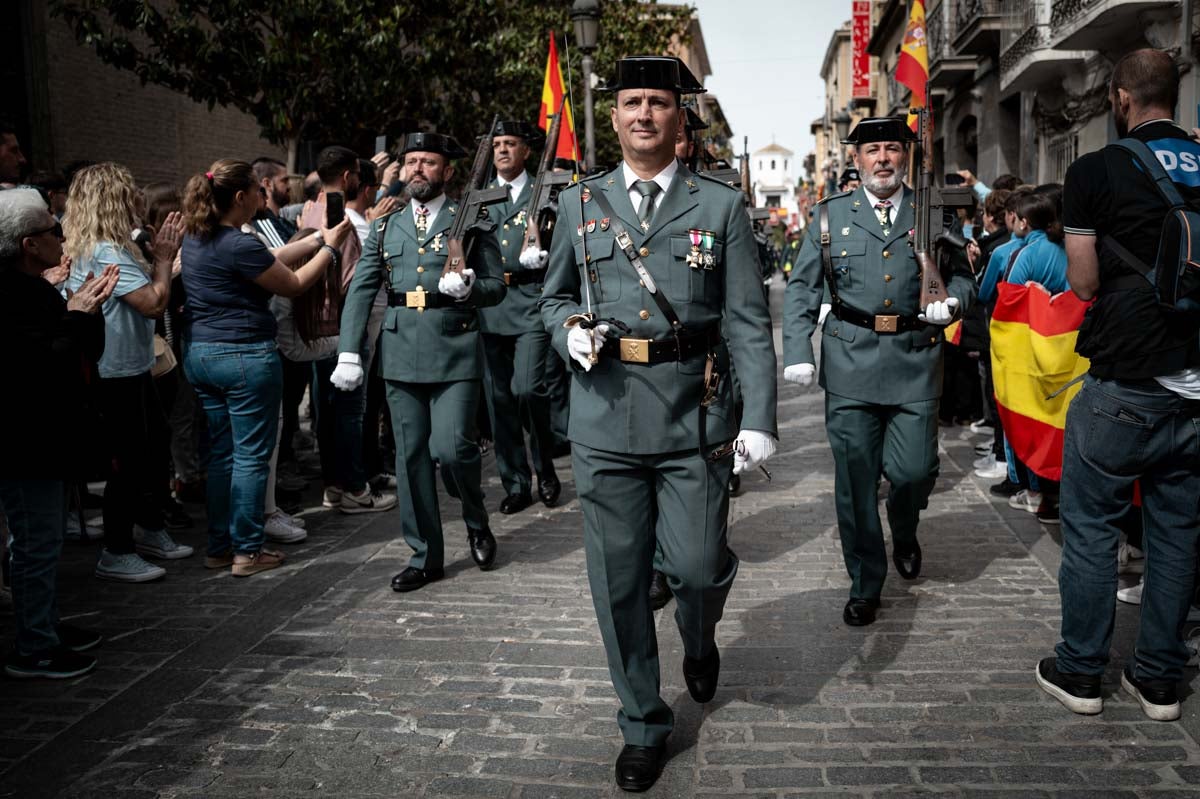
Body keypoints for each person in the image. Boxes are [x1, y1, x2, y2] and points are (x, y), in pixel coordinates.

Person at [539, 56, 777, 791]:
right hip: (605, 415)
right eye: (631, 102)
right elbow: (550, 298)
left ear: (680, 118)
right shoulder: (580, 204)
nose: (643, 113)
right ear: (612, 116)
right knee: (618, 582)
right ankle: (643, 721)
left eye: (659, 103)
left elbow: (745, 319)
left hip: (693, 413)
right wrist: (566, 330)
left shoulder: (719, 206)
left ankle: (698, 638)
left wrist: (760, 417)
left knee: (699, 569)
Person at [1036, 49, 1200, 722]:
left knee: (1094, 530)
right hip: (1195, 387)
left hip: (1125, 384)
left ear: (1120, 99)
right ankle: (1159, 678)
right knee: (1178, 532)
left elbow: (1082, 282)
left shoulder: (1096, 169)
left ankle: (1081, 670)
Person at [782, 117, 976, 627]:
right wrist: (798, 348)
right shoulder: (829, 218)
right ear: (857, 159)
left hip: (915, 356)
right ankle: (866, 580)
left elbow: (964, 276)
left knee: (914, 471)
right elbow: (803, 287)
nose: (884, 159)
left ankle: (905, 525)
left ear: (906, 156)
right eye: (873, 150)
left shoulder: (932, 211)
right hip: (850, 362)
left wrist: (952, 302)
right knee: (856, 480)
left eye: (893, 148)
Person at [331, 131, 506, 592]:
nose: (417, 170)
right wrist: (349, 350)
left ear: (447, 171)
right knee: (409, 459)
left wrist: (470, 289)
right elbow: (361, 291)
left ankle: (474, 517)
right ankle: (425, 555)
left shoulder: (469, 220)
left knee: (453, 450)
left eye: (428, 162)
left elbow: (496, 285)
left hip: (454, 346)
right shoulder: (387, 226)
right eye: (412, 162)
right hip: (402, 350)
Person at [180, 158, 351, 576]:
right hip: (244, 357)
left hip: (203, 354)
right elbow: (292, 283)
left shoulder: (196, 237)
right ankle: (247, 550)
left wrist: (314, 241)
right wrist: (329, 249)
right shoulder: (240, 243)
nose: (263, 194)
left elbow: (270, 256)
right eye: (258, 189)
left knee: (222, 455)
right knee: (252, 458)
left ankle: (220, 546)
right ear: (241, 197)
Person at [0, 188, 115, 677]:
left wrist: (82, 312)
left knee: (44, 542)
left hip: (46, 438)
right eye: (52, 229)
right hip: (25, 441)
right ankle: (34, 646)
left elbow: (82, 351)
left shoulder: (34, 289)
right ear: (30, 244)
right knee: (36, 542)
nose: (62, 237)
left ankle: (44, 624)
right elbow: (42, 363)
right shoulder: (9, 294)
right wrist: (73, 316)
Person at [63, 163, 193, 582]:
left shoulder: (111, 245)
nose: (138, 199)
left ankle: (148, 528)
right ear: (112, 200)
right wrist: (165, 260)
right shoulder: (105, 250)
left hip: (133, 368)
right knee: (128, 461)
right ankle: (116, 550)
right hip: (114, 373)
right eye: (129, 192)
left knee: (153, 448)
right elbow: (154, 302)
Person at [478, 119, 561, 516]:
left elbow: (564, 235)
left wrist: (546, 255)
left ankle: (545, 467)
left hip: (530, 297)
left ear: (526, 151)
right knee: (499, 399)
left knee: (529, 390)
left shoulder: (544, 192)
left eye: (511, 144)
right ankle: (515, 482)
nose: (503, 151)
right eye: (497, 145)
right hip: (491, 304)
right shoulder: (481, 196)